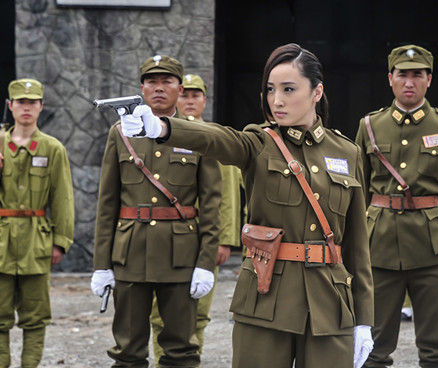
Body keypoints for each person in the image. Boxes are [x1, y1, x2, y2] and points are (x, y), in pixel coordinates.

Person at [119, 43, 375, 368]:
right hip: (266, 299)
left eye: (288, 89)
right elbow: (217, 139)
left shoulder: (347, 153)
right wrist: (163, 128)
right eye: (270, 89)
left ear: (316, 91)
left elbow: (356, 246)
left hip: (330, 303)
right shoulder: (259, 143)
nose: (276, 100)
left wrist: (364, 318)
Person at [91, 55, 221, 368]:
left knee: (180, 351)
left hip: (180, 255)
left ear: (180, 88)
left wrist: (206, 262)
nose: (159, 88)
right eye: (152, 81)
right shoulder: (120, 133)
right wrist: (101, 264)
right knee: (128, 351)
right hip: (130, 254)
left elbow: (212, 203)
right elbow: (107, 202)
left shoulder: (199, 134)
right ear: (141, 88)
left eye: (167, 82)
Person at [355, 45, 438, 368]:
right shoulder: (370, 127)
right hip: (378, 249)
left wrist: (430, 218)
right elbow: (358, 189)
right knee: (371, 347)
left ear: (429, 80)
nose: (409, 82)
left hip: (434, 252)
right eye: (402, 74)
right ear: (390, 79)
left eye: (417, 74)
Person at [149, 73, 242, 364]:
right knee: (159, 315)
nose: (190, 100)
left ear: (204, 100)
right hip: (169, 236)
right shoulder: (159, 131)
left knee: (198, 313)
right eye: (185, 95)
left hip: (204, 238)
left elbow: (226, 194)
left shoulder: (214, 136)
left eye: (195, 95)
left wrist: (224, 240)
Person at [0, 78, 74, 368]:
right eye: (20, 102)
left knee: (35, 317)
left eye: (32, 102)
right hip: (2, 243)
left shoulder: (52, 148)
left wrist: (61, 242)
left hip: (36, 242)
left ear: (41, 107)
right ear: (10, 106)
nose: (26, 107)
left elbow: (63, 199)